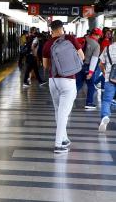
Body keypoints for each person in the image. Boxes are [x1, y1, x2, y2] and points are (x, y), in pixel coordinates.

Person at [42, 20, 84, 153]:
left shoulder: (47, 44)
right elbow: (81, 56)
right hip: (69, 80)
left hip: (53, 81)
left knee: (58, 110)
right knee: (63, 113)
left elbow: (45, 66)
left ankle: (64, 139)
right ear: (62, 28)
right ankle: (58, 144)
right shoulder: (70, 39)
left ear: (51, 30)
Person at [76, 28, 102, 109]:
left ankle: (67, 99)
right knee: (91, 86)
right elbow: (94, 60)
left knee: (78, 84)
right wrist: (90, 72)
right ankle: (89, 103)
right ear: (97, 35)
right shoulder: (96, 45)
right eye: (99, 36)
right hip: (88, 66)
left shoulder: (82, 39)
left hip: (78, 66)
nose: (99, 37)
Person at [98, 32, 116, 132]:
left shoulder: (108, 48)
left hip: (110, 78)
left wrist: (105, 73)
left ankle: (105, 117)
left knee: (107, 100)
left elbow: (101, 64)